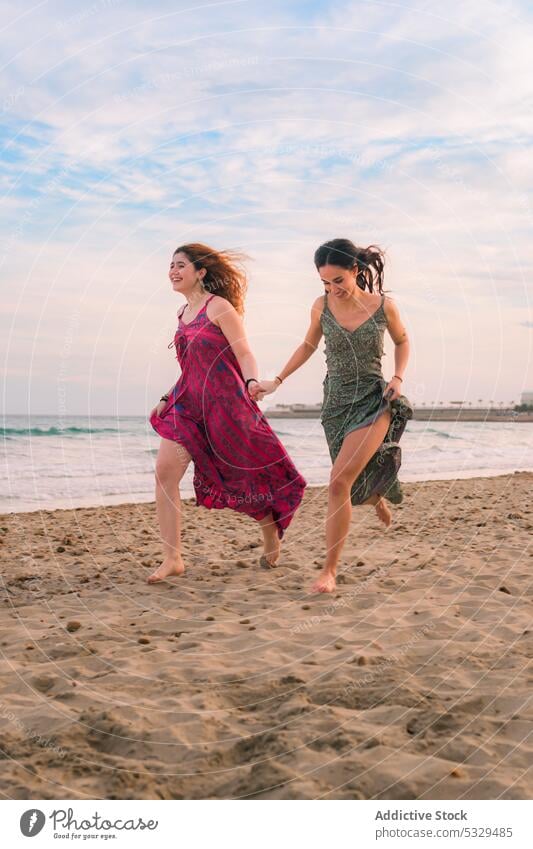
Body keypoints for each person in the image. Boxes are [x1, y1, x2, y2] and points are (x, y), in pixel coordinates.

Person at [253, 238, 412, 593]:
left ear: (356, 271)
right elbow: (308, 345)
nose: (332, 289)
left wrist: (398, 377)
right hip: (335, 405)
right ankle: (375, 496)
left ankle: (329, 571)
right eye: (325, 283)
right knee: (350, 482)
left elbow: (403, 341)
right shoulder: (321, 306)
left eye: (338, 280)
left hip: (374, 400)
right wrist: (276, 380)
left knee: (338, 481)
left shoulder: (384, 307)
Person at [148, 243, 306, 584]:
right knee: (164, 472)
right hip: (188, 405)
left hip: (225, 405)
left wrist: (251, 380)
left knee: (238, 480)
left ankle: (269, 527)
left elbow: (244, 352)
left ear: (200, 272)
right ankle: (172, 557)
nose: (173, 271)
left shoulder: (218, 307)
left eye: (180, 265)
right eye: (170, 265)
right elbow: (191, 368)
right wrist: (166, 396)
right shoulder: (181, 314)